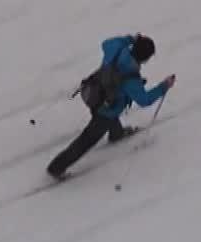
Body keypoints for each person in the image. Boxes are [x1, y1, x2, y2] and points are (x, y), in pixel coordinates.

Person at [48, 33, 174, 180]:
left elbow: (106, 43)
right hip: (106, 110)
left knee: (113, 110)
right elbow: (144, 100)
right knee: (86, 140)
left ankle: (117, 134)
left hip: (93, 94)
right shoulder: (131, 78)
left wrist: (129, 39)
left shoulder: (117, 50)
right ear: (145, 58)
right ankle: (56, 168)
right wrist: (164, 86)